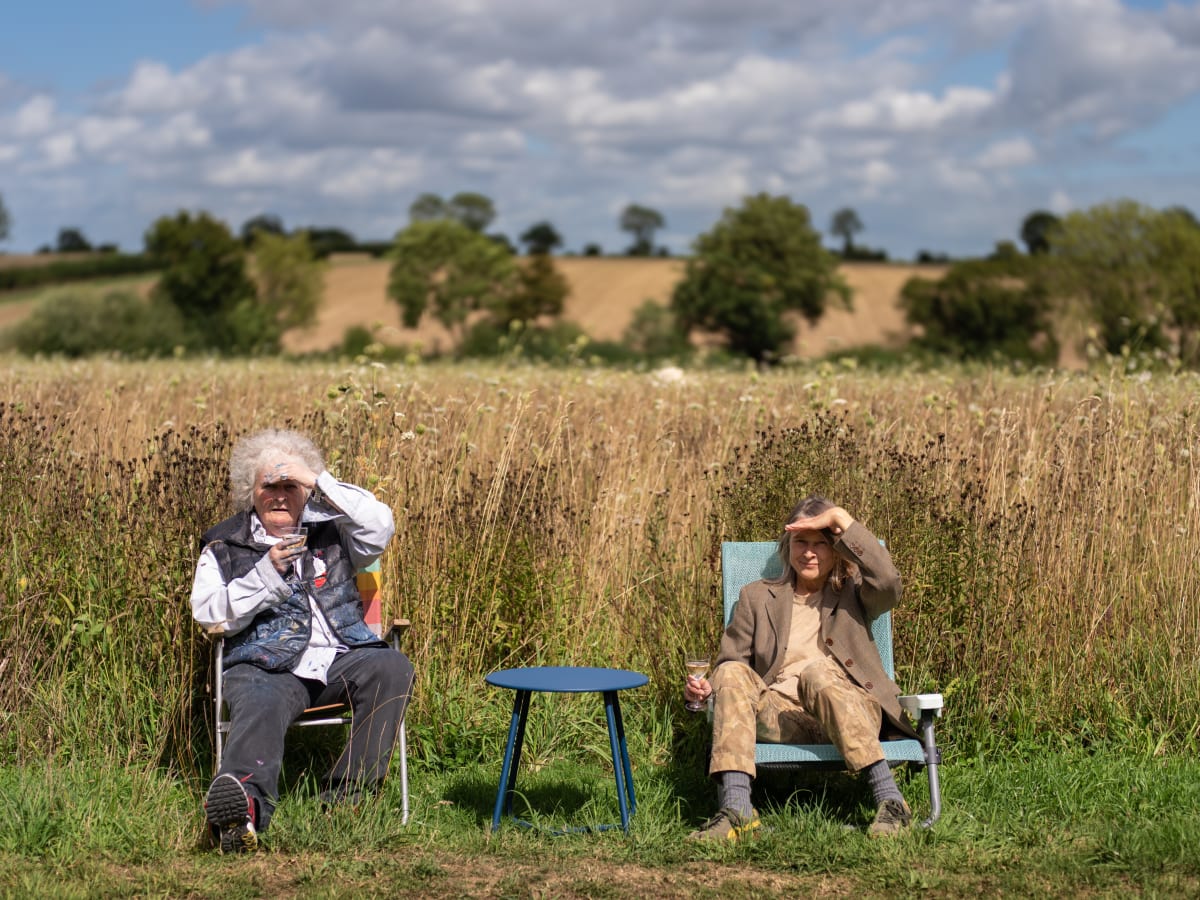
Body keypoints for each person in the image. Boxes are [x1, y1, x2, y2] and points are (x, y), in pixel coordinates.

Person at [192, 428, 414, 853]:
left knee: (392, 667)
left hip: (341, 657)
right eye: (269, 486)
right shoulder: (224, 543)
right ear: (251, 491)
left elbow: (381, 526)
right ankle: (241, 814)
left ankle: (348, 802)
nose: (279, 496)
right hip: (265, 666)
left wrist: (317, 479)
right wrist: (266, 573)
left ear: (304, 491)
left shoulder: (335, 529)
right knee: (259, 699)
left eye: (289, 485)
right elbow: (209, 612)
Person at [684, 496, 918, 841]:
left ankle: (891, 802)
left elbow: (888, 584)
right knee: (729, 672)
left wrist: (840, 518)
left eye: (820, 544)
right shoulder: (756, 597)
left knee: (816, 673)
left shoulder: (854, 592)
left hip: (849, 709)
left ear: (836, 550)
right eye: (801, 542)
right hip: (784, 718)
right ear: (787, 546)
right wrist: (708, 690)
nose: (809, 553)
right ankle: (737, 811)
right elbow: (732, 664)